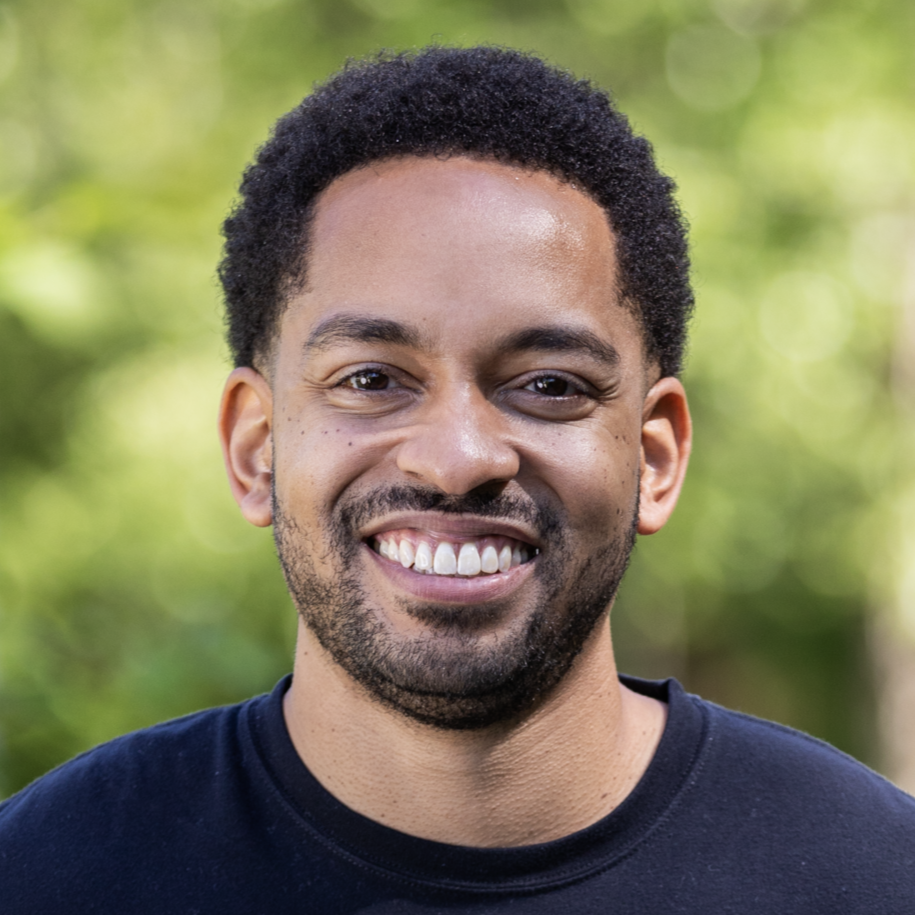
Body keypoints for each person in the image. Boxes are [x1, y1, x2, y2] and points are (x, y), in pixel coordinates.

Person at [1, 45, 913, 913]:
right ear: (255, 445)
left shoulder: (874, 879)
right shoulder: (45, 877)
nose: (457, 456)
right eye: (371, 379)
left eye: (548, 386)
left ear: (657, 455)